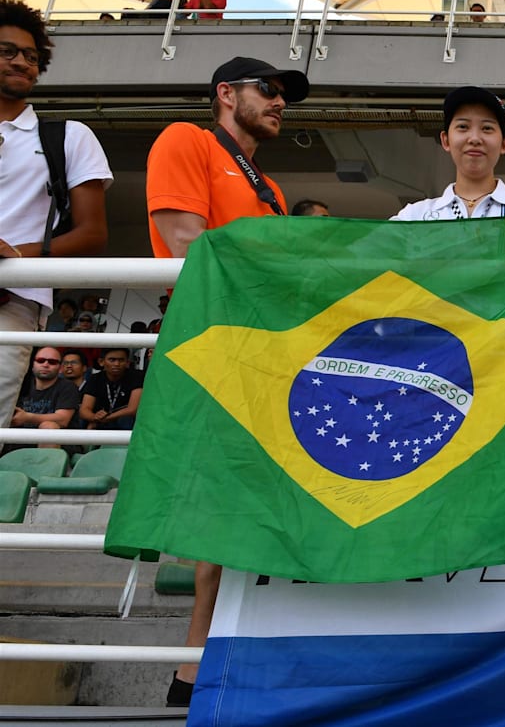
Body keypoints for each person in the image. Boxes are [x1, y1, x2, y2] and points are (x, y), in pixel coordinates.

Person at [145, 54, 309, 708]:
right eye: (268, 91)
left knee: (245, 518)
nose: (279, 104)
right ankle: (192, 676)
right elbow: (186, 244)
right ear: (225, 93)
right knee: (219, 518)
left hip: (261, 363)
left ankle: (206, 671)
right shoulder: (185, 140)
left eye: (284, 97)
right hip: (209, 354)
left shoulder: (267, 187)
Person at [0, 0, 112, 430]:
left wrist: (15, 254)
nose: (22, 62)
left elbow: (92, 234)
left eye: (31, 56)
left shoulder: (68, 136)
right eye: (8, 51)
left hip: (11, 300)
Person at [392, 86, 505, 220]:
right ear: (446, 140)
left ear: (504, 144)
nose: (475, 139)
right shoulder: (415, 217)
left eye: (487, 128)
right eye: (463, 127)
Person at [12, 347, 81, 447]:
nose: (45, 364)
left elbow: (63, 419)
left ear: (60, 368)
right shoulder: (21, 385)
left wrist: (27, 417)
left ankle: (45, 463)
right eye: (40, 361)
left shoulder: (68, 387)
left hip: (60, 444)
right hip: (22, 440)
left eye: (52, 362)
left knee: (49, 426)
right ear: (32, 365)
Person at [78, 347, 143, 431]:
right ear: (101, 362)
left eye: (121, 360)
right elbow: (84, 410)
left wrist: (107, 418)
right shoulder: (95, 378)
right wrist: (94, 417)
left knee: (126, 420)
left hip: (124, 423)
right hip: (100, 421)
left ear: (127, 363)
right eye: (112, 360)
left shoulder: (136, 376)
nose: (116, 364)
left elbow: (133, 410)